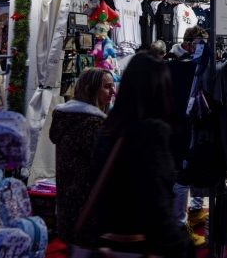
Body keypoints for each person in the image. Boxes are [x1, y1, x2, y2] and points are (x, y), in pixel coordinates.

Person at [90, 52, 194, 257]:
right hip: (138, 245)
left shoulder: (110, 128)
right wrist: (182, 246)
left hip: (107, 243)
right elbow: (157, 209)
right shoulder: (151, 134)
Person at [49, 68, 115, 246]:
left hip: (68, 205)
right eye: (107, 87)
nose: (113, 92)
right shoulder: (94, 124)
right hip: (89, 208)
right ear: (89, 90)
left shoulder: (66, 118)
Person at [168, 26, 209, 248]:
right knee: (182, 176)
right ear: (189, 43)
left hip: (192, 123)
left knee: (192, 168)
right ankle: (180, 227)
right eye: (200, 44)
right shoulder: (174, 63)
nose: (203, 48)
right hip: (178, 125)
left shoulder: (196, 62)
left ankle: (194, 211)